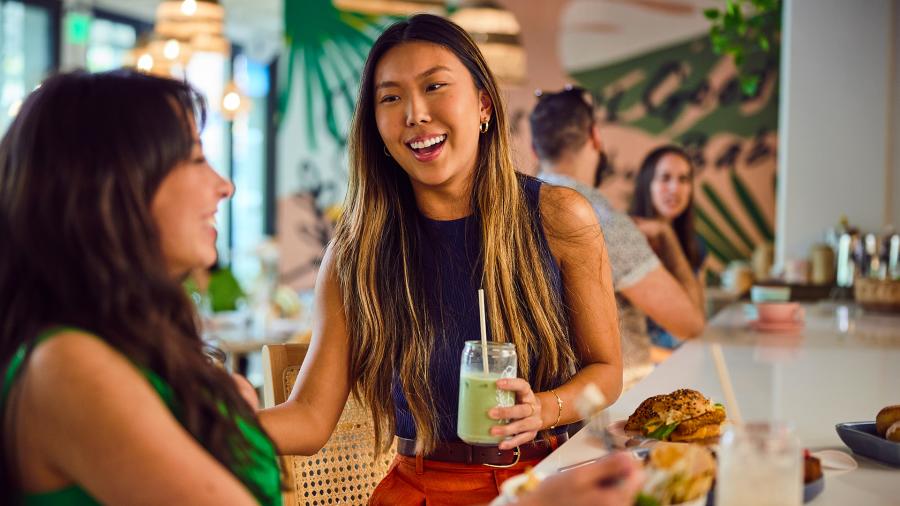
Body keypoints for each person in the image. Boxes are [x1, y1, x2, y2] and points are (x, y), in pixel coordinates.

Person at [259, 14, 627, 505]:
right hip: (422, 491)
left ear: (483, 104)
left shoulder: (561, 217)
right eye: (390, 97)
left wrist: (544, 408)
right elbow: (308, 417)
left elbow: (606, 374)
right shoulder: (355, 254)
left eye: (435, 87)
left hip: (550, 478)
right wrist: (201, 420)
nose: (415, 113)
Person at [0, 70, 282, 505]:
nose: (225, 186)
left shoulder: (131, 344)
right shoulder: (68, 365)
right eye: (195, 158)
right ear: (115, 185)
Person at [529, 86, 704, 379]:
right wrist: (667, 237)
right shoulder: (603, 220)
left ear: (535, 150)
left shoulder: (515, 211)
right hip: (618, 398)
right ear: (595, 137)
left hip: (551, 399)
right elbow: (690, 324)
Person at [630, 145, 708, 349]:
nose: (675, 188)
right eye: (665, 178)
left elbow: (698, 317)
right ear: (647, 184)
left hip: (684, 355)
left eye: (683, 179)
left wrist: (667, 235)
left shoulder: (696, 245)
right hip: (644, 363)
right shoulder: (626, 240)